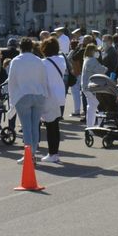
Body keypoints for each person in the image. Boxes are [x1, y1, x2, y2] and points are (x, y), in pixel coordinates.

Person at [8, 36, 51, 162]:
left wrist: (12, 100)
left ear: (20, 47)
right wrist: (45, 94)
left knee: (26, 127)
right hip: (38, 95)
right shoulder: (39, 60)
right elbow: (44, 79)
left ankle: (29, 155)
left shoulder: (16, 61)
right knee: (34, 125)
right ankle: (33, 151)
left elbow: (12, 82)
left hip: (23, 95)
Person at [40, 36, 68, 164]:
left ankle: (52, 154)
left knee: (50, 126)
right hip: (60, 95)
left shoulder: (44, 63)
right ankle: (54, 153)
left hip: (50, 96)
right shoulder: (61, 59)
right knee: (55, 125)